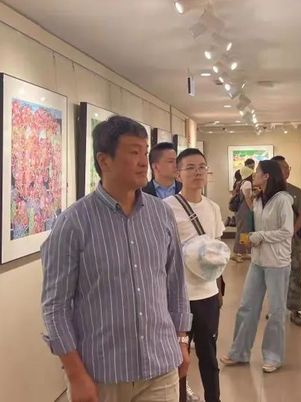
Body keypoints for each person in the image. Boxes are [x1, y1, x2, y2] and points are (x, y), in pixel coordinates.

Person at [41, 116, 192, 402]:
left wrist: (182, 342)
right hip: (102, 375)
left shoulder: (161, 214)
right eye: (134, 152)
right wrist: (75, 375)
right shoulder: (74, 223)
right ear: (104, 160)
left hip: (160, 368)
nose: (143, 162)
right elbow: (55, 307)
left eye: (145, 152)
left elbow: (176, 286)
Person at [164, 148, 228, 402]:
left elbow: (216, 247)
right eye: (190, 167)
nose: (197, 172)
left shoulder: (213, 208)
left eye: (202, 167)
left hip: (208, 294)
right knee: (178, 357)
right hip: (178, 297)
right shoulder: (166, 208)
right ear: (178, 174)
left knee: (209, 354)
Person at [221, 160, 294, 374]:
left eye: (258, 172)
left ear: (267, 176)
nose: (254, 175)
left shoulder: (283, 200)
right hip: (258, 261)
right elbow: (255, 224)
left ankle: (273, 356)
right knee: (247, 307)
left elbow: (287, 231)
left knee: (276, 311)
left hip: (277, 263)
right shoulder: (259, 198)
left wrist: (260, 236)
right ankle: (239, 352)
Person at [272, 155, 301, 327]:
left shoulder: (296, 191)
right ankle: (276, 309)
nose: (287, 170)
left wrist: (291, 232)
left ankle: (294, 309)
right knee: (274, 275)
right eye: (284, 168)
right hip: (273, 241)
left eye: (288, 167)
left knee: (295, 273)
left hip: (293, 241)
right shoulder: (268, 192)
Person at [232, 166, 255, 262]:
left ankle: (243, 252)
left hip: (240, 210)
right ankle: (237, 253)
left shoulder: (241, 182)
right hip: (245, 210)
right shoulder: (248, 183)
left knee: (244, 231)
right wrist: (252, 209)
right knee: (242, 231)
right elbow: (248, 198)